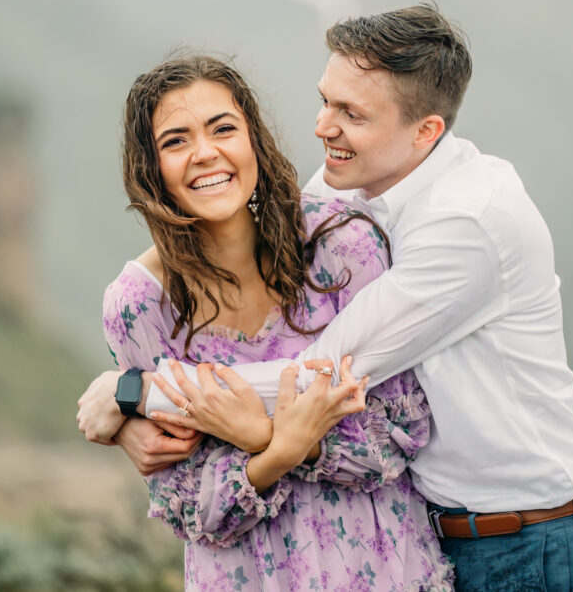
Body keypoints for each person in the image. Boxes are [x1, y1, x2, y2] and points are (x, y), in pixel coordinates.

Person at [116, 4, 573, 590]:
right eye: (325, 99)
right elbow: (256, 216)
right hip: (442, 539)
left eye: (351, 114)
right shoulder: (357, 188)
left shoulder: (469, 222)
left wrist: (134, 393)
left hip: (535, 543)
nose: (322, 126)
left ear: (425, 131)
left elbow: (322, 375)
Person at [77, 55, 454, 591]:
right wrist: (276, 451)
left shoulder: (342, 247)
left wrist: (258, 436)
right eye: (176, 141)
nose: (206, 154)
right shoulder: (139, 306)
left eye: (223, 129)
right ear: (150, 167)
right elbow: (187, 506)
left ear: (252, 137)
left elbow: (402, 431)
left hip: (383, 570)